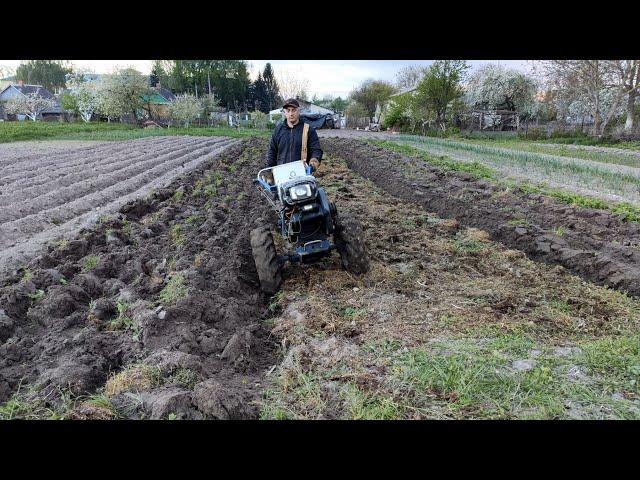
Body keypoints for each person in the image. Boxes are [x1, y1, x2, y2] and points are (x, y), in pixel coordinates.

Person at [266, 98, 323, 173]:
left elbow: (316, 150)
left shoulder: (308, 130)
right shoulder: (278, 131)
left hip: (302, 172)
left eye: (293, 110)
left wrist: (314, 161)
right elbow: (272, 152)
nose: (291, 113)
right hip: (282, 172)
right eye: (288, 110)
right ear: (284, 112)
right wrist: (269, 172)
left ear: (298, 111)